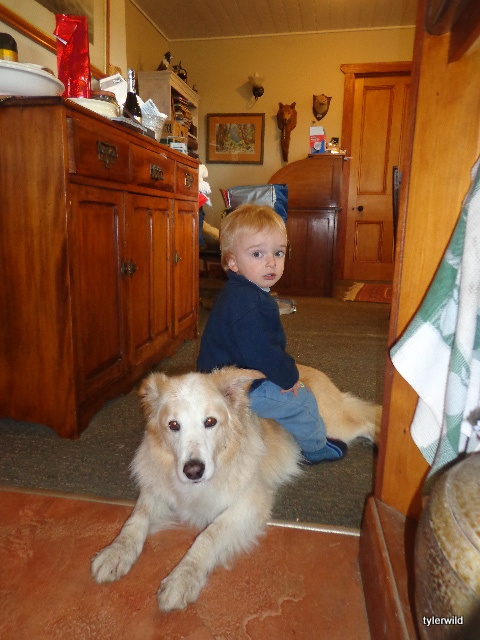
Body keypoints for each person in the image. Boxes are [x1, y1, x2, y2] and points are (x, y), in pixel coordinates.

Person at [197, 204, 347, 464]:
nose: (271, 262)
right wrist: (289, 377)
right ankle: (316, 447)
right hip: (236, 388)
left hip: (216, 378)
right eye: (257, 254)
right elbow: (263, 353)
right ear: (232, 262)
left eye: (278, 252)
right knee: (303, 402)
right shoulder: (251, 304)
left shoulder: (238, 293)